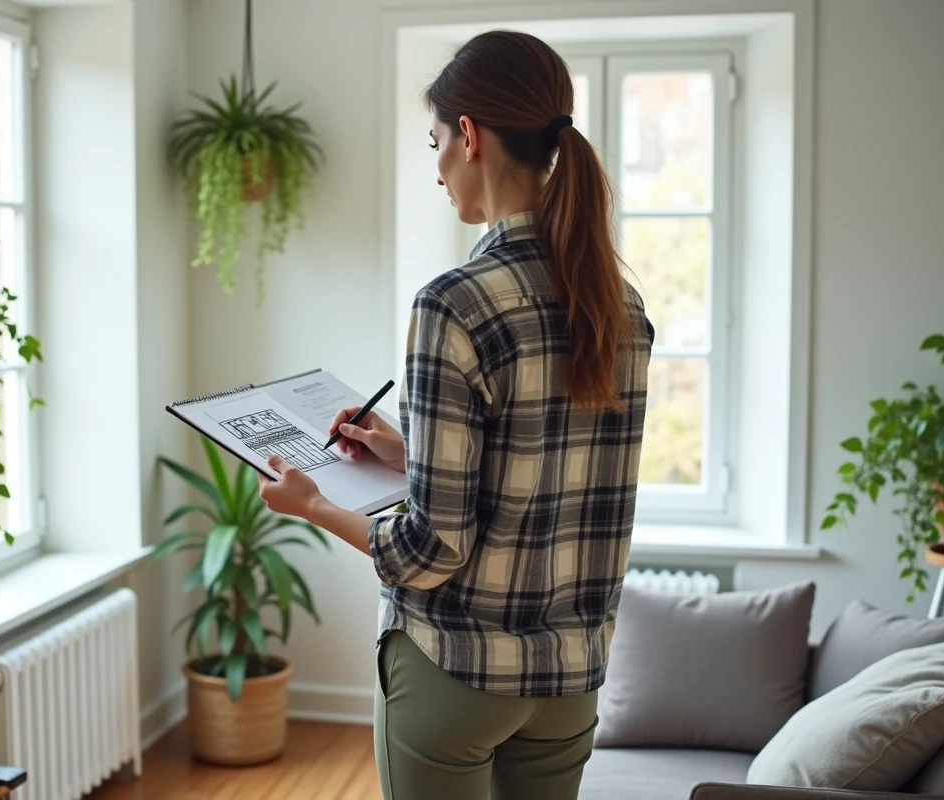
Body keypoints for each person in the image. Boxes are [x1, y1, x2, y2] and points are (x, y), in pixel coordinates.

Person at [257, 29, 654, 800]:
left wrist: (311, 507)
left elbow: (431, 550)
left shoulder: (455, 303)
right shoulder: (620, 307)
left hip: (455, 673)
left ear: (468, 136)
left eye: (436, 140)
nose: (437, 167)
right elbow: (547, 466)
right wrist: (406, 451)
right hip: (569, 680)